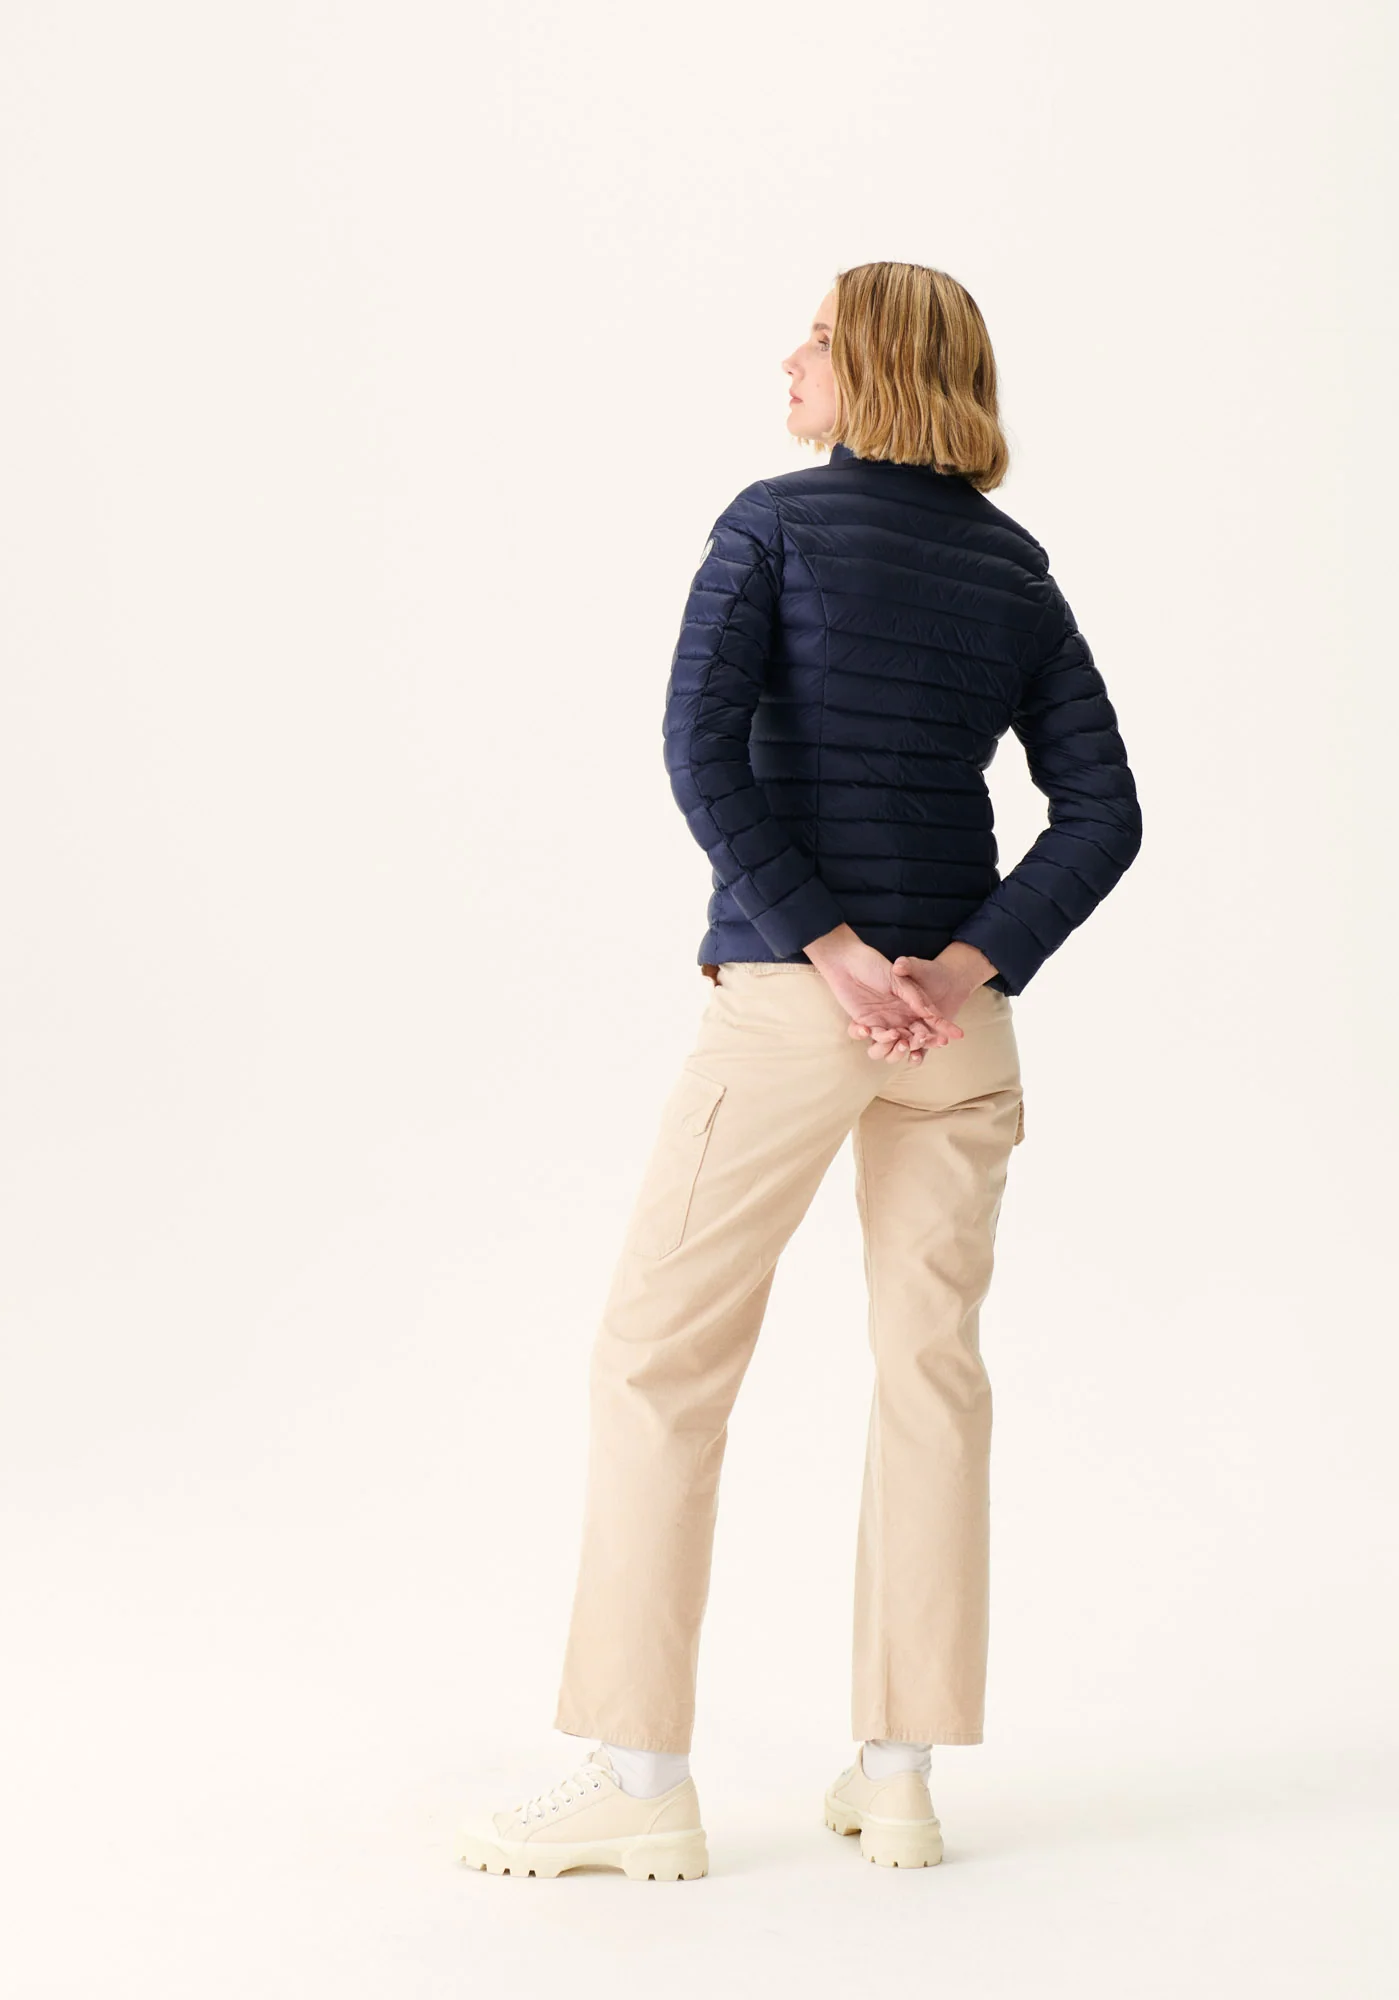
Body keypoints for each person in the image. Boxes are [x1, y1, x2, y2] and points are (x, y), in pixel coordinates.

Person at [456, 260, 1142, 1879]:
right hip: (952, 1034)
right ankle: (897, 1781)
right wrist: (957, 966)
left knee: (658, 1362)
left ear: (875, 363)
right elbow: (1103, 812)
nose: (788, 360)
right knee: (931, 1377)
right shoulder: (1015, 570)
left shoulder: (768, 525)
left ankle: (638, 1780)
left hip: (792, 1007)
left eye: (818, 339)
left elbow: (697, 751)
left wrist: (830, 951)